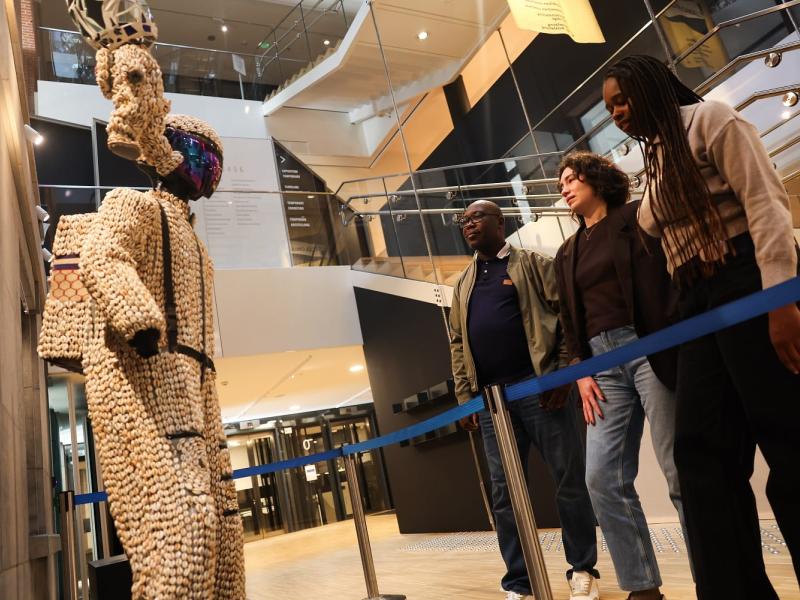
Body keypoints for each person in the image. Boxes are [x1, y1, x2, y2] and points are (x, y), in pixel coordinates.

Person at [603, 54, 800, 600]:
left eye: (622, 99)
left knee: (787, 436)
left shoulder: (711, 119)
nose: (617, 113)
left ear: (652, 87)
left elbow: (765, 203)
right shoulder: (659, 158)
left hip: (744, 282)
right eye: (610, 107)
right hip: (694, 304)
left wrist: (781, 298)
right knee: (699, 455)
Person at [449, 200, 600, 600]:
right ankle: (520, 581)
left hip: (541, 390)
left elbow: (565, 315)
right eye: (464, 221)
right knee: (504, 494)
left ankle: (583, 569)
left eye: (476, 217)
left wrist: (563, 373)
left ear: (500, 222)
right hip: (492, 404)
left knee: (568, 481)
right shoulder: (462, 283)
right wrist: (466, 396)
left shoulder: (532, 263)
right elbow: (457, 342)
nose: (468, 224)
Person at [554, 151, 687, 600]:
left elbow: (669, 280)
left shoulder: (637, 218)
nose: (565, 187)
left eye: (573, 178)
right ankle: (642, 587)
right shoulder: (566, 251)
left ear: (597, 180)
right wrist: (581, 370)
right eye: (561, 183)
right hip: (600, 367)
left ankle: (717, 572)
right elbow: (570, 322)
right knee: (601, 478)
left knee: (679, 469)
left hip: (650, 348)